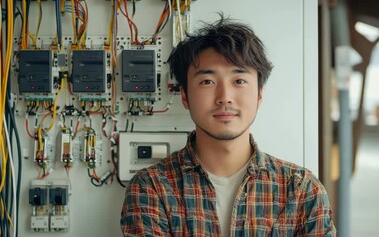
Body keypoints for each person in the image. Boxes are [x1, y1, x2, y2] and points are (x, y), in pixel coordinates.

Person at [121, 15, 336, 236]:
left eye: (239, 81)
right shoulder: (152, 187)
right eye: (207, 82)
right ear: (184, 96)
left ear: (259, 94)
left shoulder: (300, 189)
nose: (225, 97)